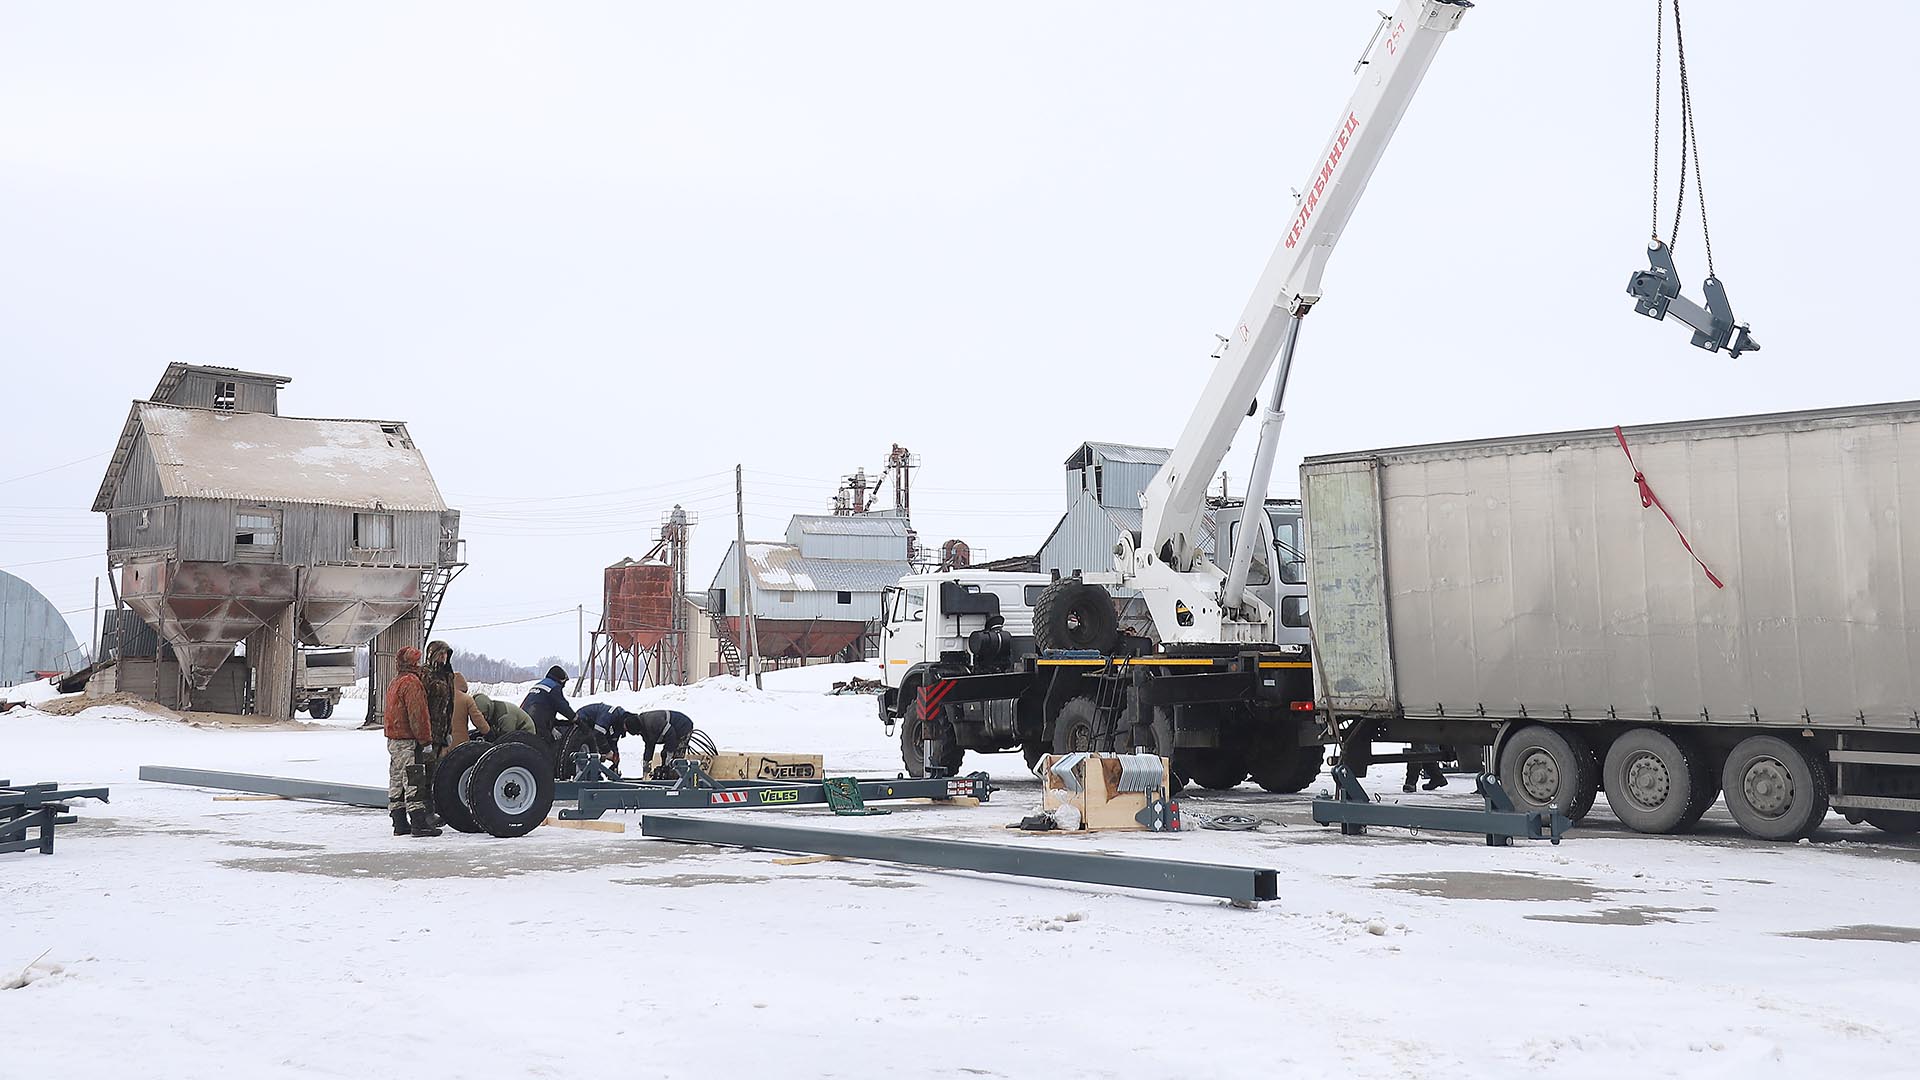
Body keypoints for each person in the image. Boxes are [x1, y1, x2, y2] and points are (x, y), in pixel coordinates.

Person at [383, 645, 441, 837]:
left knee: (397, 780)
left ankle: (399, 823)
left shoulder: (395, 682)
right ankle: (419, 824)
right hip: (408, 741)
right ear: (413, 663)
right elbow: (418, 715)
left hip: (394, 740)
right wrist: (426, 740)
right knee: (414, 780)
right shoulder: (412, 683)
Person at [570, 702, 639, 771]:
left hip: (594, 729)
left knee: (598, 748)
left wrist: (615, 757)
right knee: (595, 747)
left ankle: (594, 772)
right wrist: (607, 751)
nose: (625, 731)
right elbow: (598, 734)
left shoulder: (619, 724)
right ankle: (584, 771)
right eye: (626, 729)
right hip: (583, 721)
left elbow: (613, 741)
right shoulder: (609, 715)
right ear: (625, 724)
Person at [628, 709, 696, 777]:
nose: (638, 734)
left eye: (638, 733)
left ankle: (677, 780)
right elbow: (649, 745)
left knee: (675, 761)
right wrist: (646, 762)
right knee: (664, 755)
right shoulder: (644, 727)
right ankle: (666, 774)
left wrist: (669, 755)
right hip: (672, 732)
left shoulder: (653, 722)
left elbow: (670, 734)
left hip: (683, 726)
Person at [520, 665, 576, 743]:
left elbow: (541, 707)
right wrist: (576, 719)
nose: (565, 685)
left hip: (523, 721)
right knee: (546, 746)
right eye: (565, 682)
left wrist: (554, 723)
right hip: (538, 725)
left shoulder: (538, 685)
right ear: (561, 679)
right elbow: (563, 706)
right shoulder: (554, 687)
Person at [448, 673, 491, 747]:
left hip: (442, 743)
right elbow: (477, 719)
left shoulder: (441, 696)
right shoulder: (466, 699)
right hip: (460, 743)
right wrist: (487, 731)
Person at [470, 690, 536, 738]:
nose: (483, 717)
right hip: (509, 731)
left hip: (526, 733)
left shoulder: (505, 716)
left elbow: (507, 738)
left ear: (488, 709)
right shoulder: (491, 709)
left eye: (484, 714)